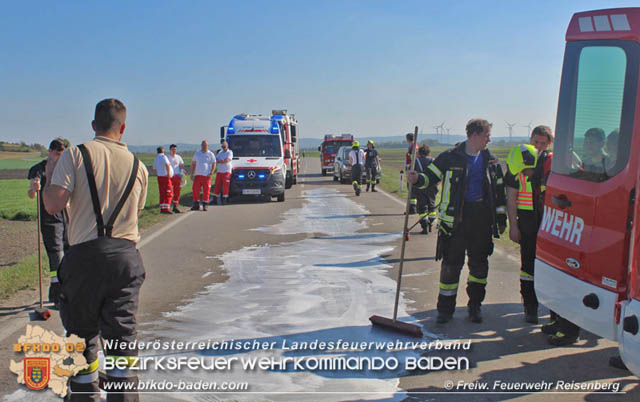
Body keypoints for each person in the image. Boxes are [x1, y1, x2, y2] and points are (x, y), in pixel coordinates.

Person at [43, 98, 148, 401]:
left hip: (84, 257)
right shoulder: (138, 166)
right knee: (122, 341)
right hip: (125, 259)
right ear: (123, 127)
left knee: (80, 337)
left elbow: (52, 205)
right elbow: (136, 211)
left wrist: (52, 171)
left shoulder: (76, 154)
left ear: (93, 126)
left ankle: (84, 395)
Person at [407, 119, 507, 324]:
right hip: (454, 221)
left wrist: (501, 218)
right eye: (487, 135)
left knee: (479, 267)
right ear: (474, 135)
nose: (489, 139)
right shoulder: (450, 157)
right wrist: (416, 178)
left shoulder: (491, 160)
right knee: (451, 266)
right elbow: (430, 178)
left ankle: (475, 306)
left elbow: (499, 192)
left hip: (481, 219)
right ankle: (445, 310)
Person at [27, 137, 69, 307]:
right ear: (50, 151)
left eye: (62, 154)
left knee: (68, 254)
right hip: (48, 219)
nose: (59, 157)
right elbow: (31, 194)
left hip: (65, 217)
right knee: (56, 257)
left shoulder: (64, 169)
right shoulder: (38, 169)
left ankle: (59, 292)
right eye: (57, 154)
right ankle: (57, 294)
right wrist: (33, 189)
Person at [505, 143, 539, 323]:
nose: (523, 174)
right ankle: (530, 307)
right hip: (526, 224)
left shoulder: (545, 170)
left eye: (525, 170)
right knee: (527, 268)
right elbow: (511, 199)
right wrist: (513, 226)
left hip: (544, 223)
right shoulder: (515, 172)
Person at [414, 144, 438, 234]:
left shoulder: (416, 161)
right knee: (432, 205)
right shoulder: (434, 161)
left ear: (419, 153)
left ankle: (424, 227)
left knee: (422, 207)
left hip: (420, 186)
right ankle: (431, 223)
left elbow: (412, 173)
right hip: (432, 186)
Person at [190, 140, 216, 211]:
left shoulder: (210, 154)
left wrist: (212, 172)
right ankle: (196, 204)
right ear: (201, 145)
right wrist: (191, 174)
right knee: (195, 190)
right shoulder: (197, 154)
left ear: (208, 146)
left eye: (206, 145)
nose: (204, 146)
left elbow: (214, 163)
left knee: (206, 190)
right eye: (203, 145)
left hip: (206, 176)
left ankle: (205, 205)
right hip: (198, 175)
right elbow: (193, 164)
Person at [153, 146, 173, 214]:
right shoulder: (164, 157)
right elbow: (167, 165)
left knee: (162, 193)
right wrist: (168, 174)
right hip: (165, 177)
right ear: (162, 151)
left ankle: (162, 208)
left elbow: (155, 168)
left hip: (159, 177)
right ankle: (167, 208)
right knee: (168, 192)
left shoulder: (156, 158)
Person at [212, 140, 233, 205]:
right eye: (222, 146)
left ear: (227, 146)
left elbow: (227, 160)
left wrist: (221, 160)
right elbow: (216, 160)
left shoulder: (230, 152)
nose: (223, 147)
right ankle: (215, 199)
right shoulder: (220, 153)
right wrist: (222, 160)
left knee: (225, 186)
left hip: (226, 171)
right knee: (217, 186)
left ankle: (224, 199)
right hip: (219, 171)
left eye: (225, 146)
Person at [167, 144, 185, 213]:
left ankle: (175, 206)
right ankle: (168, 206)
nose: (174, 151)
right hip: (170, 177)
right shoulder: (167, 157)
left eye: (175, 149)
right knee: (169, 192)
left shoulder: (178, 157)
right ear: (170, 150)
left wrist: (182, 173)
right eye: (172, 149)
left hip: (177, 177)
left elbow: (182, 165)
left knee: (177, 192)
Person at [405, 133, 418, 214]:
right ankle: (413, 208)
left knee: (411, 189)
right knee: (411, 189)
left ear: (407, 139)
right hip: (412, 168)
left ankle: (412, 209)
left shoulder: (413, 146)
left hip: (412, 169)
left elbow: (412, 158)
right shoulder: (414, 145)